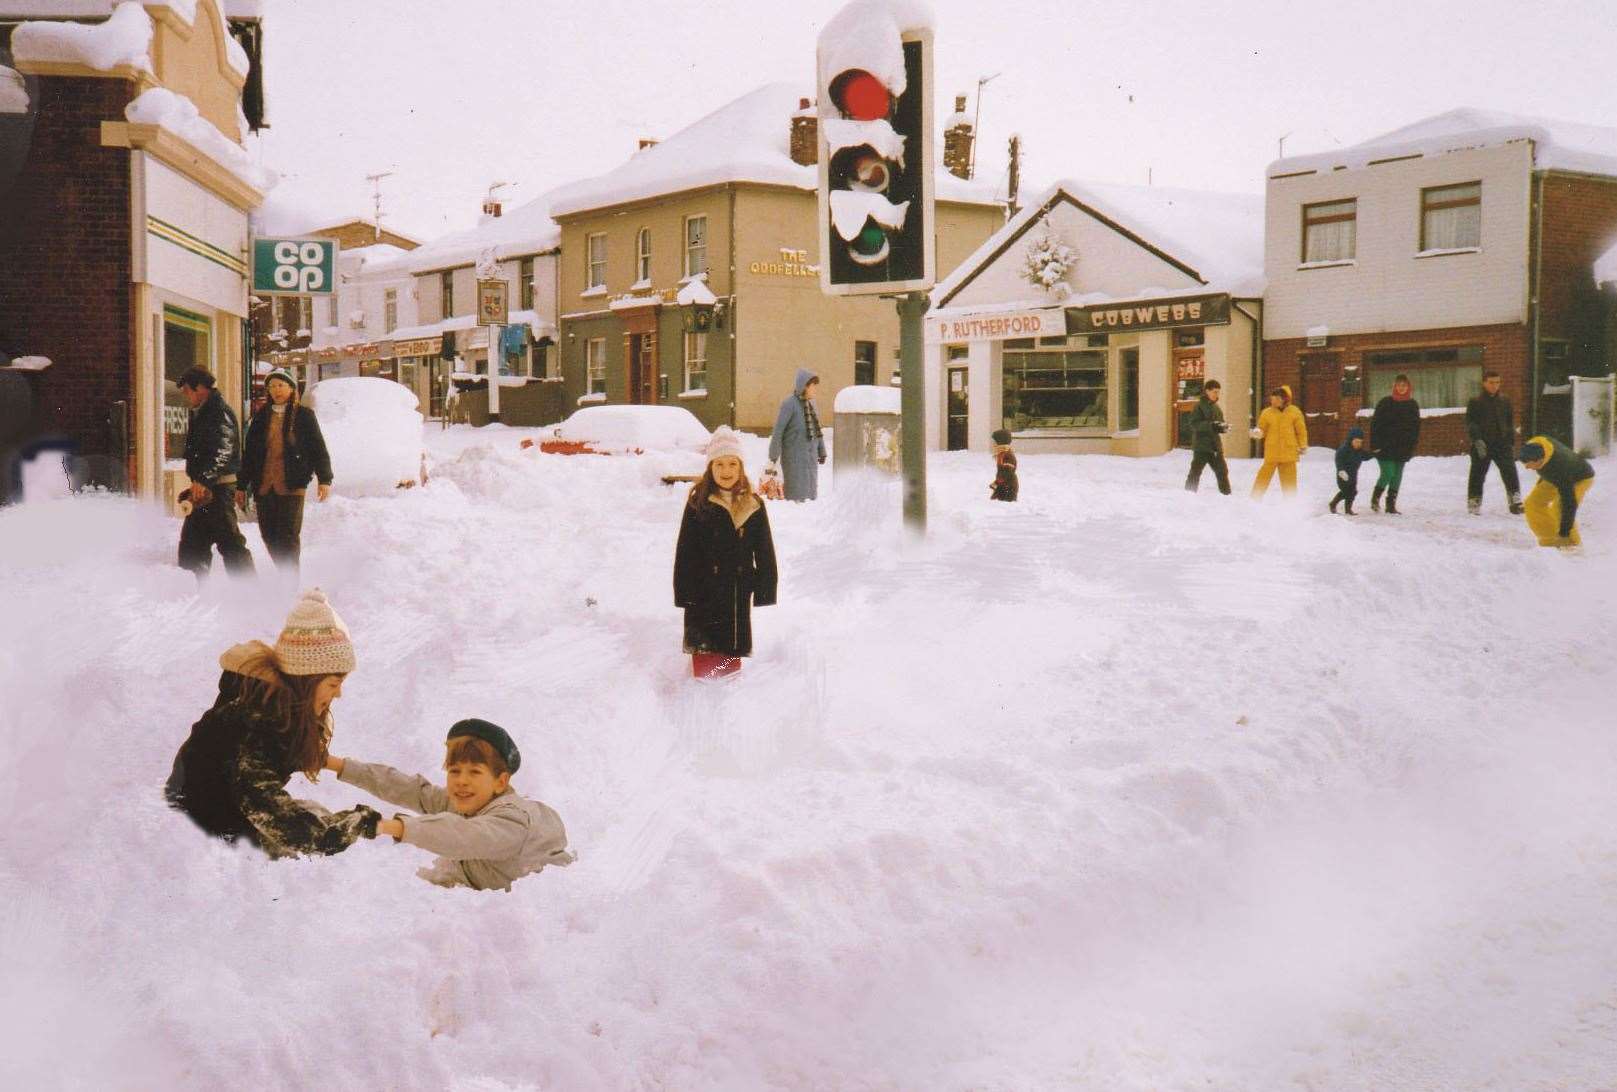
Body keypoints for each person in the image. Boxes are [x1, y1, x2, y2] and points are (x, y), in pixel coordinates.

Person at [165, 589, 380, 857]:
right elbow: (298, 833)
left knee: (311, 813)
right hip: (198, 836)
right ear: (308, 680)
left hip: (213, 815)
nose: (338, 694)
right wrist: (361, 822)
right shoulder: (258, 726)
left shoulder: (270, 703)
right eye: (334, 684)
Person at [326, 718, 574, 892]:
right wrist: (332, 763)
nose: (461, 781)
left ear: (500, 782)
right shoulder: (468, 802)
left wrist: (384, 826)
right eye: (454, 771)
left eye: (475, 772)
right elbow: (412, 790)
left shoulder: (512, 822)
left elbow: (463, 835)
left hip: (534, 922)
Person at [674, 426, 778, 679]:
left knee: (730, 648)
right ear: (710, 468)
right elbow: (685, 552)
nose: (726, 471)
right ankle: (705, 677)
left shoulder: (753, 504)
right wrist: (684, 593)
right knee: (706, 645)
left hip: (737, 588)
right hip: (703, 590)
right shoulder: (699, 503)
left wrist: (764, 587)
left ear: (740, 467)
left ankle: (726, 678)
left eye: (732, 464)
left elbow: (765, 550)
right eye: (719, 464)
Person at [237, 368, 333, 574]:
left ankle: (289, 582)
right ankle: (284, 572)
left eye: (281, 385)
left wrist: (325, 478)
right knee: (269, 534)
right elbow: (250, 453)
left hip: (291, 484)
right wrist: (241, 484)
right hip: (264, 485)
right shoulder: (261, 417)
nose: (276, 390)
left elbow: (318, 448)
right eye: (272, 386)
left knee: (288, 535)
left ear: (291, 388)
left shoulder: (304, 416)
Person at [175, 366, 255, 577]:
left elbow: (223, 450)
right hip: (206, 487)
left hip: (217, 489)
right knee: (193, 543)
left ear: (200, 388)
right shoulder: (205, 411)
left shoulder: (218, 412)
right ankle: (191, 589)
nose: (185, 396)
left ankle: (251, 592)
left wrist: (203, 479)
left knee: (229, 541)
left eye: (187, 390)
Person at [1518, 437, 1595, 548]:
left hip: (1580, 478)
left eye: (1529, 464)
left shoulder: (1560, 467)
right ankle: (1550, 541)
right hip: (1554, 476)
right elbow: (1546, 471)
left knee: (1559, 507)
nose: (1526, 467)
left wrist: (1564, 533)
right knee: (1532, 503)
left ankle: (1572, 546)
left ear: (1540, 460)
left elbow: (1568, 503)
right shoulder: (1536, 445)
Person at [1466, 370, 1524, 515]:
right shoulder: (1475, 401)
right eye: (1491, 382)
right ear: (1484, 383)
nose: (1494, 385)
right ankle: (1474, 502)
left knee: (1510, 472)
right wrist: (1477, 440)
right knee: (1478, 474)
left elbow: (1509, 422)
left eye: (1497, 382)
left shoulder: (1505, 401)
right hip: (1483, 444)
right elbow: (1471, 423)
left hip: (1502, 444)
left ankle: (1515, 502)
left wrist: (1511, 442)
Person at [765, 368, 826, 501]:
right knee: (795, 497)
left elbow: (817, 430)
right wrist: (773, 456)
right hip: (794, 459)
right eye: (812, 386)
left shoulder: (812, 404)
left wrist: (822, 451)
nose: (815, 389)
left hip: (810, 458)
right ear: (804, 387)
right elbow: (778, 431)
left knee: (810, 496)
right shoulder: (789, 404)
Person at [1369, 373, 1421, 514]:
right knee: (1388, 473)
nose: (1401, 388)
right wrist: (1375, 445)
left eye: (1404, 385)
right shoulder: (1385, 402)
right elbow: (1375, 425)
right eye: (1399, 385)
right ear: (1394, 386)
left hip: (1403, 447)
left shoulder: (1412, 405)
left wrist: (1412, 444)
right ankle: (1375, 499)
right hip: (1385, 446)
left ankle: (1391, 504)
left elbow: (1416, 427)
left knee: (1397, 475)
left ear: (1408, 387)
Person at [1250, 385, 1307, 499]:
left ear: (1284, 399)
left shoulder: (1294, 412)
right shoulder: (1267, 413)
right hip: (1272, 452)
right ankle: (1255, 498)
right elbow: (1262, 429)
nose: (1273, 401)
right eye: (1272, 399)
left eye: (1276, 399)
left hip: (1289, 452)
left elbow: (1301, 431)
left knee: (1289, 482)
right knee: (1263, 476)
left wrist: (1303, 445)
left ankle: (1290, 502)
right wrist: (1257, 433)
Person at [1184, 379, 1232, 495]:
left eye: (1218, 392)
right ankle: (1188, 494)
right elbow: (1194, 424)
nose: (1217, 394)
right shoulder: (1199, 406)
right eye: (1215, 392)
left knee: (1222, 471)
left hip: (1215, 446)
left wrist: (1223, 427)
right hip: (1202, 446)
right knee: (1196, 471)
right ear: (1207, 391)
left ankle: (1227, 495)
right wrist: (1211, 426)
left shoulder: (1216, 408)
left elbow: (1219, 423)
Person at [1328, 427, 1374, 515]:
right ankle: (1333, 504)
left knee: (1352, 492)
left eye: (1360, 442)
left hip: (1353, 475)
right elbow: (1339, 461)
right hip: (1343, 475)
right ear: (1350, 440)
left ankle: (1348, 509)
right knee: (1346, 492)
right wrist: (1341, 471)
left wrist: (1374, 453)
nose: (1358, 444)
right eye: (1356, 441)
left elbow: (1366, 456)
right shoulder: (1343, 450)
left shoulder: (1359, 451)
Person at [989, 428, 1018, 501]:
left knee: (1004, 507)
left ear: (1000, 441)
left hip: (1008, 486)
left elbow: (1007, 472)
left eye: (995, 441)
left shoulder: (1007, 454)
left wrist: (996, 482)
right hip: (1003, 485)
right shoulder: (1002, 453)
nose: (993, 443)